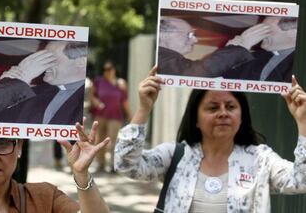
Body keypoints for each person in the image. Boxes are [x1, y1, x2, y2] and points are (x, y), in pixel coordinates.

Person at [114, 66, 306, 212]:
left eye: (230, 107)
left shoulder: (261, 159)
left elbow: (301, 181)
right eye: (212, 108)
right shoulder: (175, 155)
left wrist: (303, 121)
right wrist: (144, 108)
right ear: (195, 119)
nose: (223, 113)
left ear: (242, 116)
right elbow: (125, 165)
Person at [0, 41, 87, 169]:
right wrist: (5, 92)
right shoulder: (34, 92)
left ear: (80, 62)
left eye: (50, 58)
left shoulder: (85, 100)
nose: (42, 66)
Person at [157, 17, 271, 77]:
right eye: (189, 34)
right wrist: (243, 45)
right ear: (164, 34)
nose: (195, 40)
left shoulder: (163, 58)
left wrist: (231, 49)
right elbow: (199, 72)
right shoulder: (162, 60)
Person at [223, 17, 297, 82]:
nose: (259, 35)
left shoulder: (300, 64)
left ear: (293, 33)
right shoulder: (253, 57)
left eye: (266, 29)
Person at [89, 61, 132, 172]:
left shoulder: (121, 83)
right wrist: (96, 102)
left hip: (116, 116)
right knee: (100, 140)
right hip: (101, 115)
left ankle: (113, 165)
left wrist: (130, 115)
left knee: (113, 140)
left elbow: (125, 100)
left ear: (114, 70)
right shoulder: (98, 82)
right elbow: (91, 95)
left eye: (110, 69)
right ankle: (101, 164)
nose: (108, 71)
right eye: (106, 69)